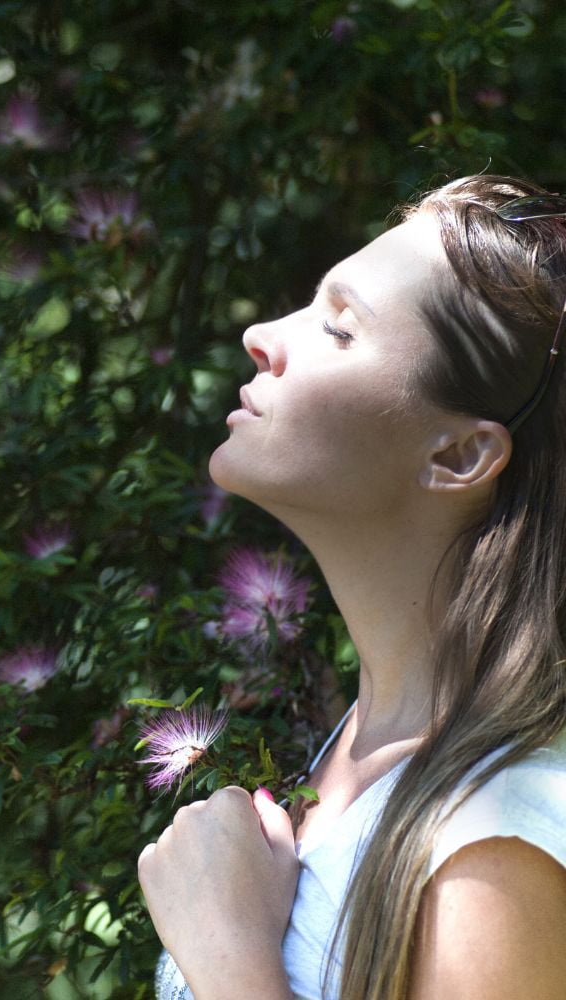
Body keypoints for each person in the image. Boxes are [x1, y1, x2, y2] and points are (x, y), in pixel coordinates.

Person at [137, 174, 566, 1000]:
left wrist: (228, 958)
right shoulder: (365, 749)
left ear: (459, 458)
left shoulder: (495, 839)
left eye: (339, 328)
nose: (262, 334)